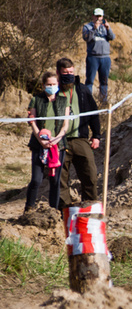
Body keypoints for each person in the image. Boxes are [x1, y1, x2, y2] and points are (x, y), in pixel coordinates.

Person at [55, 57, 102, 210]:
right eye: (65, 72)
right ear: (58, 73)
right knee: (60, 178)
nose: (69, 74)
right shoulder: (53, 91)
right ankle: (66, 211)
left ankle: (89, 209)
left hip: (81, 139)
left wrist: (96, 135)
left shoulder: (82, 90)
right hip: (60, 141)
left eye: (71, 72)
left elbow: (94, 113)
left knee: (90, 175)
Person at [25, 71, 69, 211]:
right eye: (48, 84)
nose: (51, 86)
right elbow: (32, 122)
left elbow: (65, 125)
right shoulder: (36, 99)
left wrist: (56, 139)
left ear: (58, 84)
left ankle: (53, 211)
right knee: (36, 179)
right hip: (39, 144)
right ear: (44, 85)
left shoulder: (63, 100)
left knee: (55, 181)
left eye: (54, 84)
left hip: (58, 145)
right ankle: (29, 208)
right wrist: (41, 140)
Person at [82, 8, 115, 104]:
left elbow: (112, 37)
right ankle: (88, 101)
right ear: (92, 16)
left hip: (105, 57)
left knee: (104, 81)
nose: (98, 18)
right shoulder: (87, 27)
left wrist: (108, 29)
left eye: (99, 16)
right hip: (93, 57)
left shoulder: (106, 26)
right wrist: (94, 29)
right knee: (90, 81)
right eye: (96, 16)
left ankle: (103, 101)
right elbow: (87, 38)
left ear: (102, 17)